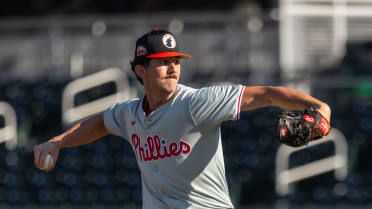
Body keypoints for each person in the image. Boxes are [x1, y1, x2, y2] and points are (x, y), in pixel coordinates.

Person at [34, 28, 331, 209]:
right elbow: (99, 123)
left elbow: (265, 93)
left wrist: (318, 105)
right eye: (163, 63)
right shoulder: (129, 114)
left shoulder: (196, 103)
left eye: (175, 61)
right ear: (141, 71)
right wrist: (58, 142)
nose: (173, 68)